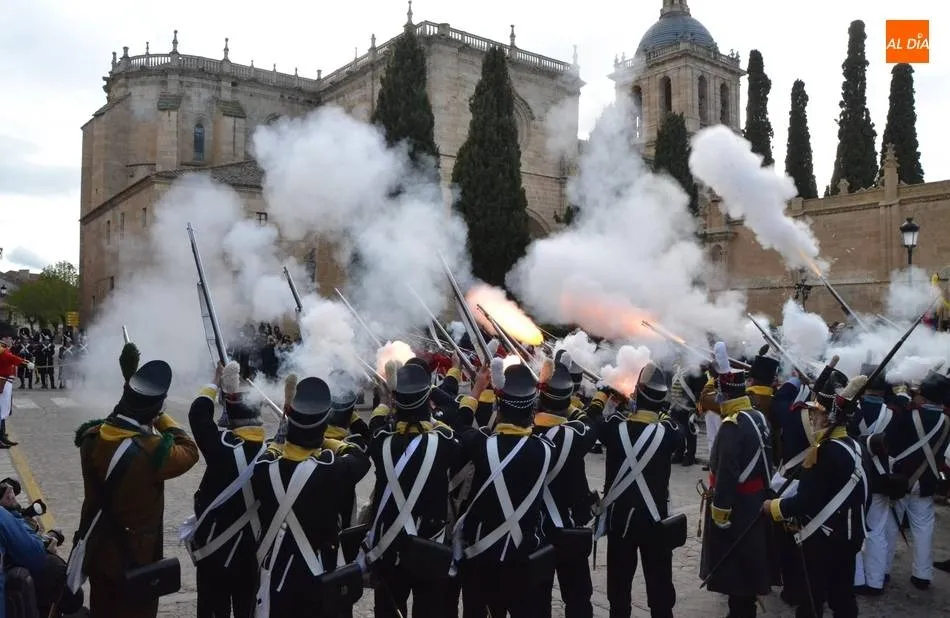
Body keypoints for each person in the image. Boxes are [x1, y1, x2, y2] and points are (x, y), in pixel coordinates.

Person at [71, 359, 200, 618]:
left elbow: (114, 423)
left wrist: (135, 402)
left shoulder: (92, 437)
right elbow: (189, 449)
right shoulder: (152, 451)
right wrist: (161, 416)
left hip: (98, 551)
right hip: (136, 559)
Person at [252, 376, 371, 617]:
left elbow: (273, 448)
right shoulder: (332, 469)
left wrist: (282, 441)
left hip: (279, 577)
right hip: (321, 574)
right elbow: (359, 457)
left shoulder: (265, 469)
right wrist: (326, 440)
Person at [454, 361, 555, 618]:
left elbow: (462, 425)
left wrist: (477, 389)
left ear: (499, 408)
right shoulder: (545, 450)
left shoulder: (481, 445)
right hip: (523, 554)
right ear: (532, 409)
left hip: (481, 556)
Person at [764, 374, 868, 618]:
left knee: (811, 598)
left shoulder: (821, 453)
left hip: (823, 539)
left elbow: (804, 502)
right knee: (843, 597)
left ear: (831, 417)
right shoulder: (855, 446)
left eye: (817, 414)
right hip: (851, 534)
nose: (812, 418)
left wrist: (773, 508)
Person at [361, 360, 459, 618]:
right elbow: (453, 407)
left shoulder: (380, 442)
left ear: (396, 402)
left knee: (387, 610)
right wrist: (430, 390)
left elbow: (377, 420)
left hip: (389, 547)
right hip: (429, 543)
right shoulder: (445, 443)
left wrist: (388, 397)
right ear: (427, 401)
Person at [595, 363, 681, 618]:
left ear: (637, 392)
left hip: (620, 520)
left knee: (618, 591)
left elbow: (592, 419)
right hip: (654, 519)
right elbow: (670, 421)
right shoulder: (670, 432)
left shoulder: (612, 427)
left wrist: (604, 396)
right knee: (660, 588)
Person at [186, 360, 267, 618]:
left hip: (215, 553)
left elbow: (198, 414)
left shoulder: (221, 447)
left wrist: (214, 383)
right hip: (251, 554)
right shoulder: (272, 455)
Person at [699, 342, 774, 618]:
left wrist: (720, 511)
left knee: (736, 565)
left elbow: (727, 474)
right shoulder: (756, 417)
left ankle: (740, 611)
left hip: (738, 505)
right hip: (755, 498)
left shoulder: (732, 426)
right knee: (750, 558)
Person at [533, 354, 599, 618]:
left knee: (538, 600)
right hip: (570, 525)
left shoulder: (525, 433)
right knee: (579, 597)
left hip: (536, 529)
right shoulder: (578, 434)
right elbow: (589, 422)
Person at [887, 370, 950, 590]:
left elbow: (890, 443)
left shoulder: (908, 415)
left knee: (890, 527)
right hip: (927, 482)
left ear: (923, 395)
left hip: (901, 478)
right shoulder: (947, 421)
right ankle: (922, 575)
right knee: (924, 529)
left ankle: (882, 571)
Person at [0, 337, 34, 448]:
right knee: (1, 411)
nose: (11, 340)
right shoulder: (2, 349)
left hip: (6, 381)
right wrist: (26, 363)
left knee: (4, 411)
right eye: (9, 338)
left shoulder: (4, 348)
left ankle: (2, 436)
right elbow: (10, 358)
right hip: (2, 382)